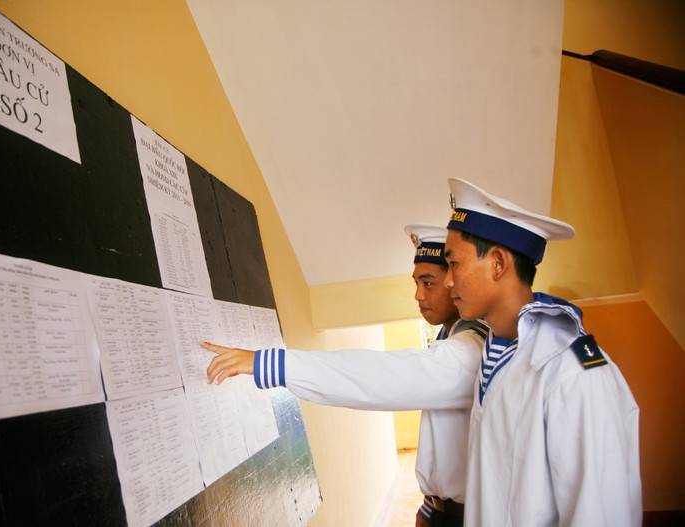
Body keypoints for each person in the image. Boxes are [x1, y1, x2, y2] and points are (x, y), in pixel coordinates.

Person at [202, 223, 488, 527]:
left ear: (453, 282)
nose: (417, 295)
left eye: (428, 283)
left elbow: (380, 376)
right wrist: (431, 507)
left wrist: (271, 365)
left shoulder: (471, 348)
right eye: (416, 282)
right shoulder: (450, 336)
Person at [442, 177, 641, 526]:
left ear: (498, 263)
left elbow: (599, 513)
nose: (447, 281)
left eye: (454, 263)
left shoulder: (573, 372)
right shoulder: (499, 352)